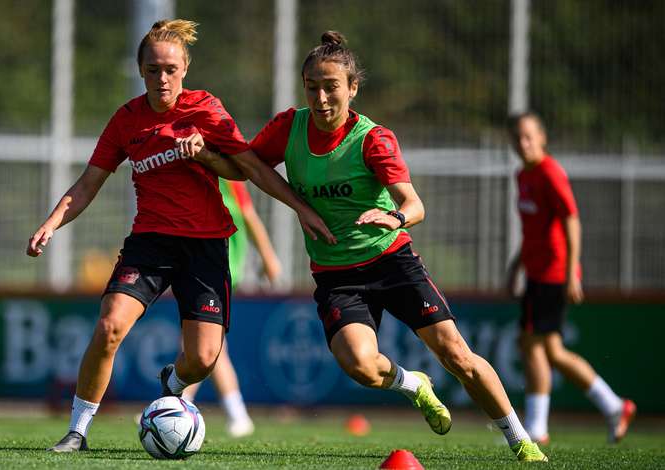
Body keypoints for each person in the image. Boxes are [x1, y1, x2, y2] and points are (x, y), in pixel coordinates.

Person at [214, 31, 548, 462]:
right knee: (359, 365)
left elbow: (414, 204)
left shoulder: (373, 139)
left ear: (352, 88)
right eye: (312, 87)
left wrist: (393, 217)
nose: (320, 98)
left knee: (457, 356)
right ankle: (414, 385)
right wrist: (202, 152)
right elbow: (246, 167)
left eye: (331, 87)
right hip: (335, 274)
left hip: (392, 261)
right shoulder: (288, 127)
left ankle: (520, 438)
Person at [27, 19, 333, 453]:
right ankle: (77, 431)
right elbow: (87, 183)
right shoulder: (127, 120)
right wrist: (52, 222)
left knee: (205, 358)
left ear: (185, 67)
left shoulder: (206, 109)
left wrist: (300, 208)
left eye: (170, 68)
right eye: (153, 69)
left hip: (206, 245)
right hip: (150, 242)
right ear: (141, 71)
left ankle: (171, 382)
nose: (162, 77)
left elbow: (251, 167)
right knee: (110, 324)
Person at [506, 111, 636, 445]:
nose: (523, 143)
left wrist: (571, 273)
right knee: (551, 350)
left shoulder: (550, 173)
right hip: (536, 272)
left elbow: (572, 220)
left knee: (532, 344)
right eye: (517, 138)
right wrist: (516, 266)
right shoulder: (523, 175)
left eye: (529, 136)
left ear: (542, 137)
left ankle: (536, 429)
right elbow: (533, 230)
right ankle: (613, 406)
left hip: (553, 273)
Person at [181, 179, 282, 438]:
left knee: (205, 345)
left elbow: (250, 216)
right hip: (203, 268)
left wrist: (268, 256)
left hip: (218, 269)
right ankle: (226, 412)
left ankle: (179, 405)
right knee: (210, 347)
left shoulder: (227, 176)